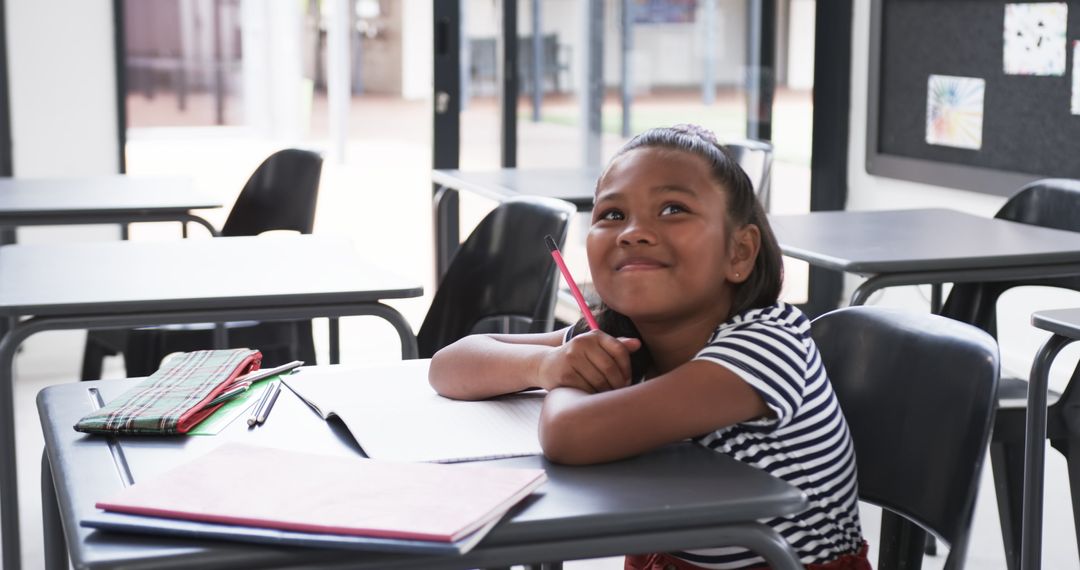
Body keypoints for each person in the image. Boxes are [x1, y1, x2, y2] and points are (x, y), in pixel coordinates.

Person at [429, 124, 869, 570]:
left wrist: (566, 375)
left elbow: (570, 436)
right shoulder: (622, 333)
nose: (633, 232)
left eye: (673, 209)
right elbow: (449, 365)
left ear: (739, 252)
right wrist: (547, 364)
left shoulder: (768, 345)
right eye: (613, 215)